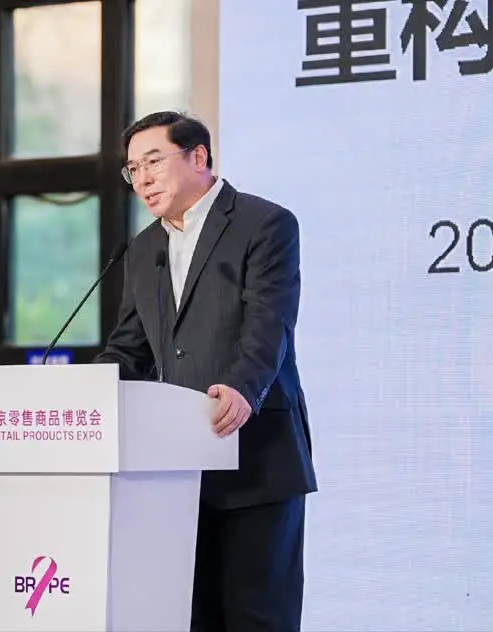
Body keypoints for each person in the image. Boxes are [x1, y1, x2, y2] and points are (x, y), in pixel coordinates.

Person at [93, 111, 317, 632]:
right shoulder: (143, 248)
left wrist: (242, 387)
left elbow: (269, 323)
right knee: (188, 617)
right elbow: (130, 348)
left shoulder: (264, 224)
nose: (142, 179)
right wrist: (86, 392)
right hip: (172, 474)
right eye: (132, 169)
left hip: (254, 456)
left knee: (257, 618)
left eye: (153, 162)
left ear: (199, 157)